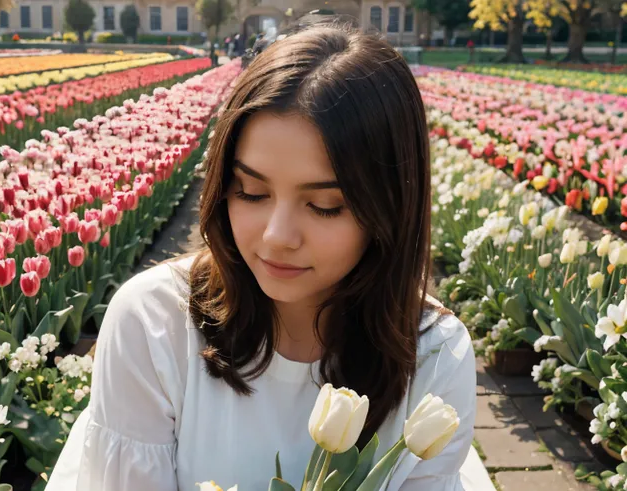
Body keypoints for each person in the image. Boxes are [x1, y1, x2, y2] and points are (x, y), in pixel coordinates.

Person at [46, 19, 476, 491]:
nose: (276, 237)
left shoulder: (433, 354)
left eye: (324, 206)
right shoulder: (154, 325)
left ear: (391, 206)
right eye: (250, 191)